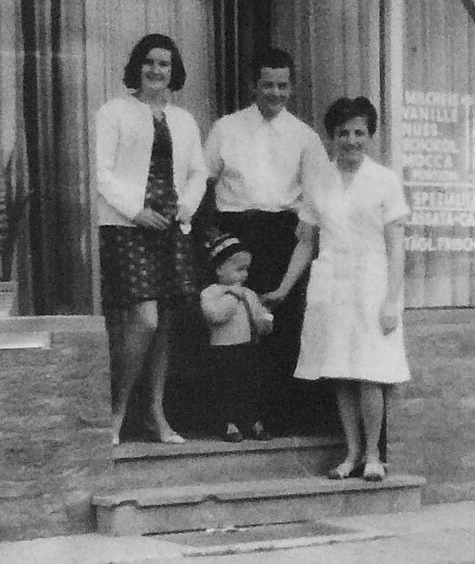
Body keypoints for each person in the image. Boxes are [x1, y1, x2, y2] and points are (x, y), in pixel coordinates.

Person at [266, 96, 410, 482]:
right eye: (343, 133)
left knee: (370, 371)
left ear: (370, 136)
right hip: (331, 281)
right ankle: (351, 453)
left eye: (359, 132)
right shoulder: (319, 180)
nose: (351, 140)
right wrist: (283, 288)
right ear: (331, 137)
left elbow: (396, 245)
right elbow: (305, 241)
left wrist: (392, 300)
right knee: (340, 372)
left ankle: (375, 455)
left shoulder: (385, 181)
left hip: (372, 283)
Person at [202, 47, 332, 437]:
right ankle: (228, 417)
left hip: (281, 237)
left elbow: (319, 200)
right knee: (231, 329)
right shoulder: (227, 128)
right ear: (252, 85)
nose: (275, 93)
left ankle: (269, 417)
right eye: (267, 85)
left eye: (283, 85)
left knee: (275, 326)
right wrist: (210, 236)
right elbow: (203, 183)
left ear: (291, 86)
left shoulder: (304, 137)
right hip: (233, 235)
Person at [96, 33, 208, 446]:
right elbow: (101, 171)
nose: (156, 71)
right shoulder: (115, 112)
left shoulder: (184, 120)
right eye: (149, 63)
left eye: (164, 64)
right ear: (137, 67)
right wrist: (135, 210)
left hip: (171, 230)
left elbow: (198, 172)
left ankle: (156, 414)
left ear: (173, 71)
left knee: (163, 327)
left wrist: (187, 207)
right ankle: (118, 410)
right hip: (129, 228)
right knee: (144, 319)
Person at [197, 232, 274, 442]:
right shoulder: (212, 293)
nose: (244, 275)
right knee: (226, 386)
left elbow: (257, 317)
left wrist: (265, 320)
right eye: (239, 269)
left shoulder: (248, 293)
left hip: (247, 346)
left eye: (247, 270)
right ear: (219, 268)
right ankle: (228, 423)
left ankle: (250, 420)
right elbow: (216, 316)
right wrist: (232, 296)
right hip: (223, 349)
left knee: (248, 384)